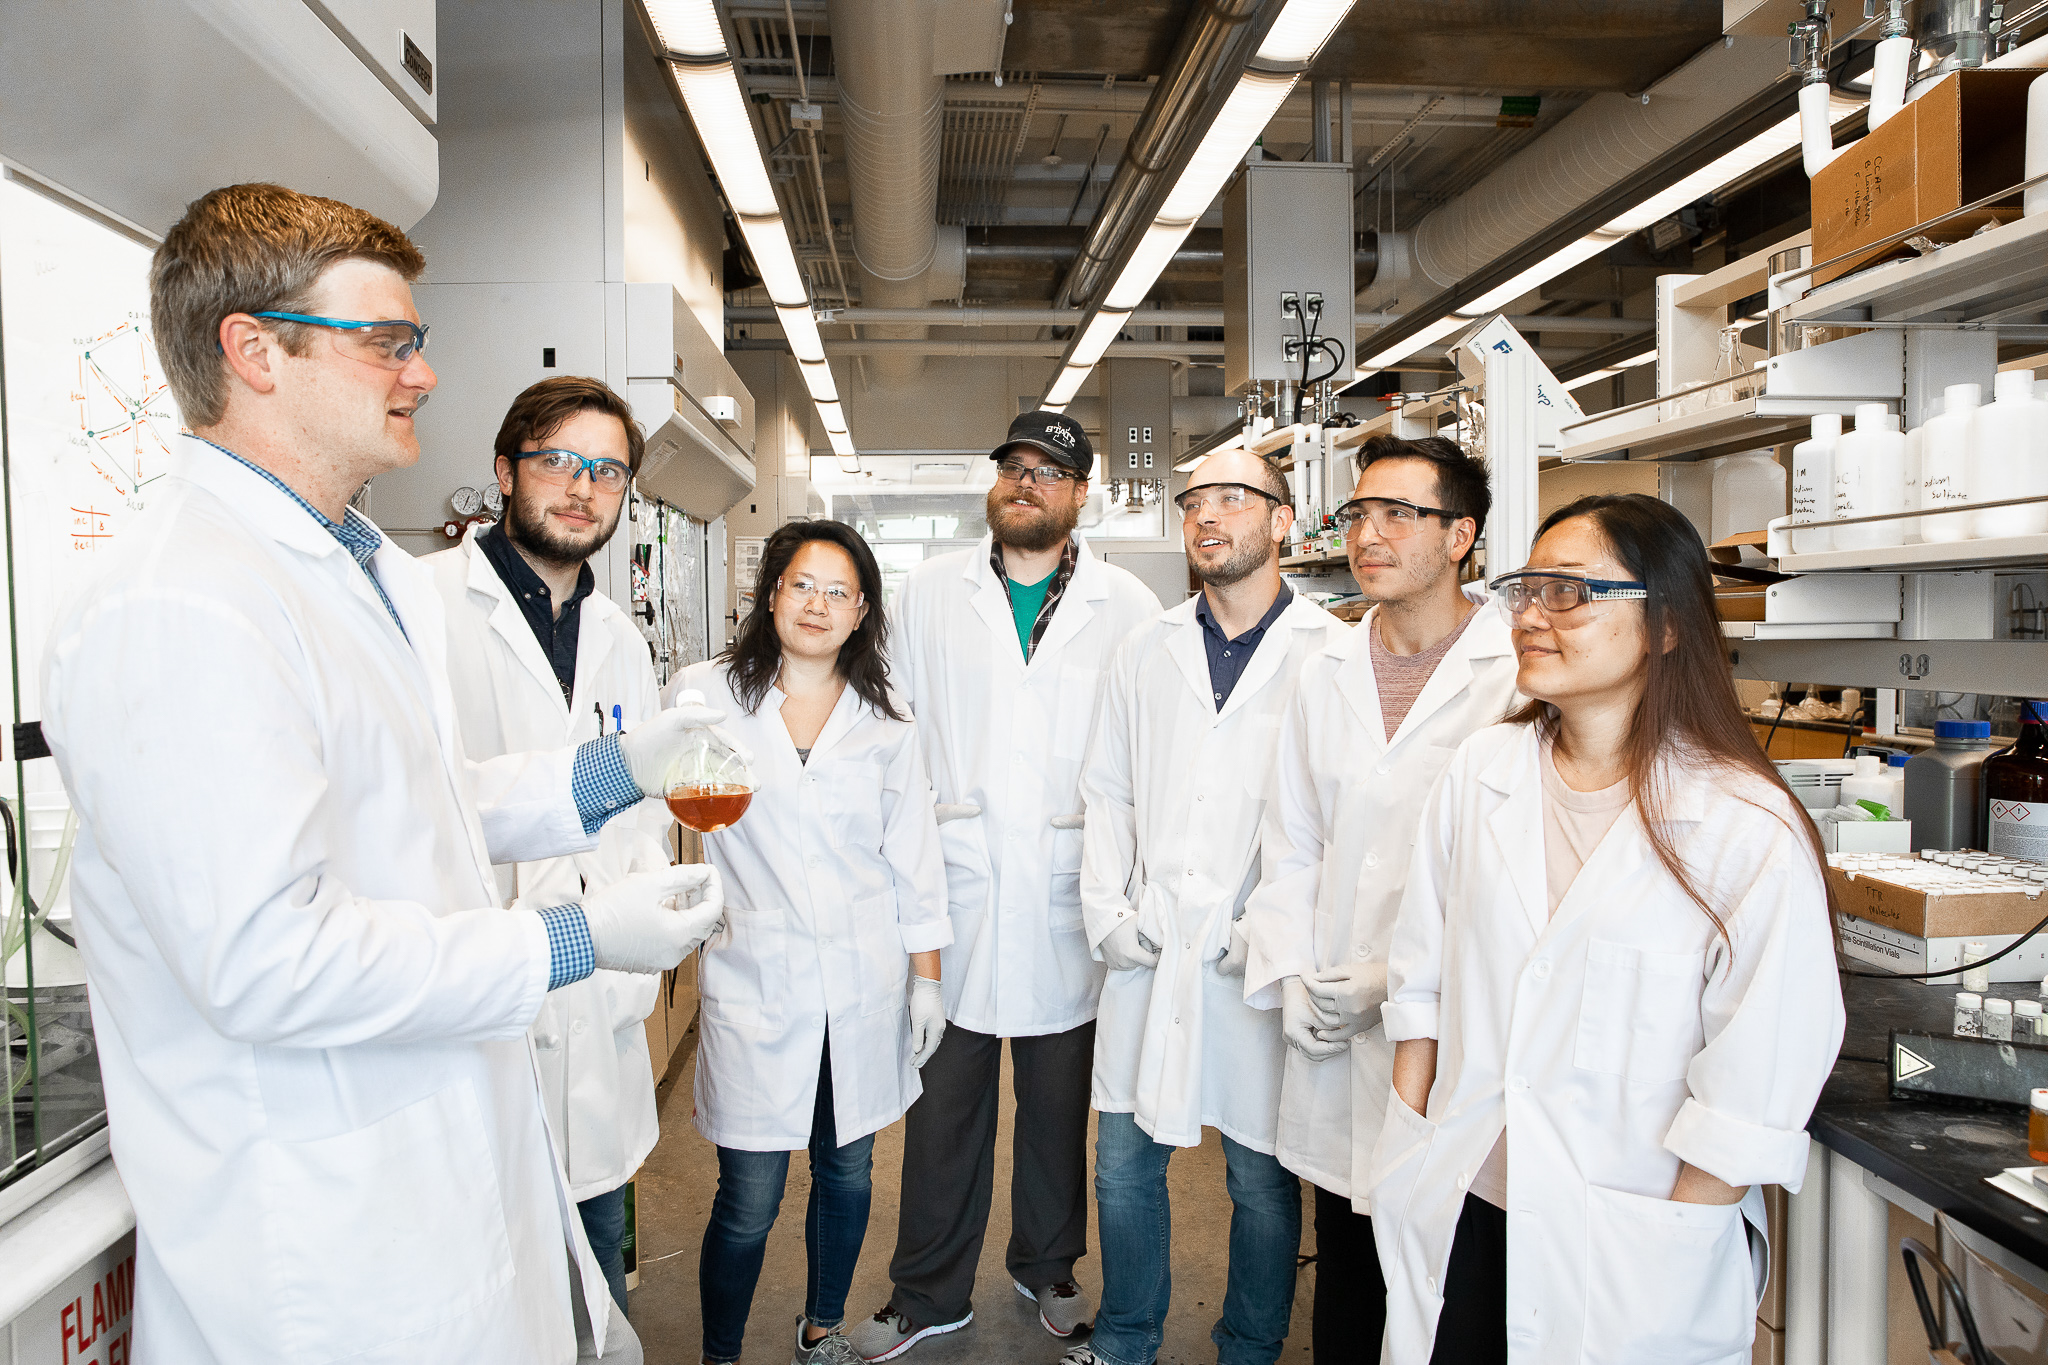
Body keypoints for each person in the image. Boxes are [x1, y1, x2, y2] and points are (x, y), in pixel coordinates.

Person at [41, 183, 733, 1365]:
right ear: (252, 351)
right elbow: (265, 961)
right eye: (387, 343)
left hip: (440, 1190)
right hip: (327, 1256)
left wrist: (619, 768)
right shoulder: (182, 603)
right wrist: (569, 942)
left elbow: (427, 807)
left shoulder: (343, 573)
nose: (419, 376)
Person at [1370, 494, 1845, 1364]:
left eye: (1570, 593)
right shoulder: (1483, 772)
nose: (1531, 617)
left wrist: (1672, 1242)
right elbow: (1421, 979)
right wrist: (1411, 1129)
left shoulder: (1744, 824)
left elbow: (1754, 1085)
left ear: (1664, 625)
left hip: (1628, 1247)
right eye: (1524, 591)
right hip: (1463, 1203)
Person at [850, 411, 1162, 1359]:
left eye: (1049, 472)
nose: (1027, 482)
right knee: (944, 1106)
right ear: (995, 485)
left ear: (1079, 494)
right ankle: (929, 1288)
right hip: (959, 884)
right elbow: (890, 729)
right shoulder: (931, 593)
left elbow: (1147, 756)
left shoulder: (1130, 607)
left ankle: (1047, 1266)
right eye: (1014, 468)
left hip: (1074, 886)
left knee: (1059, 1107)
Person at [1233, 434, 1518, 1362]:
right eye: (1359, 514)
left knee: (1449, 1274)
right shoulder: (1325, 671)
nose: (1370, 533)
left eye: (1401, 514)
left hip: (1460, 1032)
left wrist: (1389, 981)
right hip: (1331, 1026)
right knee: (1349, 1269)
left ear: (1461, 534)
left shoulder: (1515, 675)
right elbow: (1294, 842)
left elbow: (1509, 877)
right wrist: (1293, 976)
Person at [1064, 449, 1340, 1365]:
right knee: (1123, 1163)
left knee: (1259, 1175)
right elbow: (1107, 788)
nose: (1208, 516)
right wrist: (1107, 908)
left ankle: (1252, 1345)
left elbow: (1338, 811)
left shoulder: (1330, 652)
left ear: (1284, 520)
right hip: (1149, 941)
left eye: (1234, 498)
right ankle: (1128, 1332)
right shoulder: (1148, 645)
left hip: (1257, 950)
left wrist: (1268, 925)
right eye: (1195, 502)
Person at [666, 521, 952, 1365]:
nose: (818, 604)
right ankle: (722, 1351)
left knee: (846, 1173)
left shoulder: (887, 718)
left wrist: (925, 980)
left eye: (839, 590)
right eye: (802, 584)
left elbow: (914, 859)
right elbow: (657, 815)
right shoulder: (704, 696)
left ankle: (822, 1326)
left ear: (863, 610)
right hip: (756, 978)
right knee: (747, 1199)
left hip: (861, 987)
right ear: (770, 593)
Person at [426, 375, 676, 1319]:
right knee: (486, 1289)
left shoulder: (620, 637)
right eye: (559, 462)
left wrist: (636, 945)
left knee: (596, 1281)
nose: (583, 487)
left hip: (595, 1008)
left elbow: (641, 816)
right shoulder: (422, 606)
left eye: (607, 471)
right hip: (472, 1005)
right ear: (504, 469)